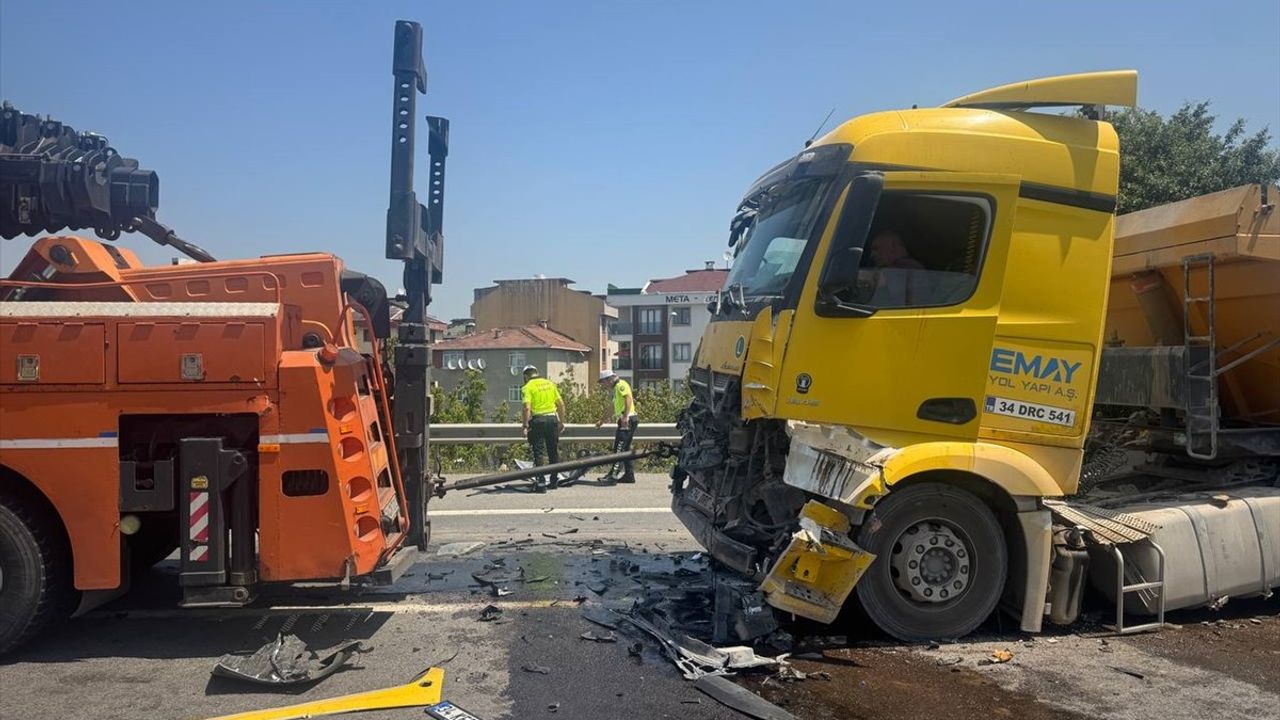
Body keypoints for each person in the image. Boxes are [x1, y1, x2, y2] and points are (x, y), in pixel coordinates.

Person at [521, 365, 565, 492]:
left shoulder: (527, 387)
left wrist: (525, 425)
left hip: (538, 421)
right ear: (537, 373)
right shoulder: (550, 384)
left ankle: (541, 483)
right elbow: (561, 404)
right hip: (552, 419)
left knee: (538, 451)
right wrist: (561, 422)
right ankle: (554, 480)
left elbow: (527, 408)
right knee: (553, 451)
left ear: (525, 376)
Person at [596, 370, 639, 484]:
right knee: (625, 449)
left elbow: (628, 398)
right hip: (628, 420)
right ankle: (629, 475)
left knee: (618, 449)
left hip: (627, 420)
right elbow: (612, 408)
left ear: (610, 379)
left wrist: (625, 417)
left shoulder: (621, 385)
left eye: (603, 382)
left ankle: (613, 477)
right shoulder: (615, 389)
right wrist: (602, 420)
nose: (603, 385)